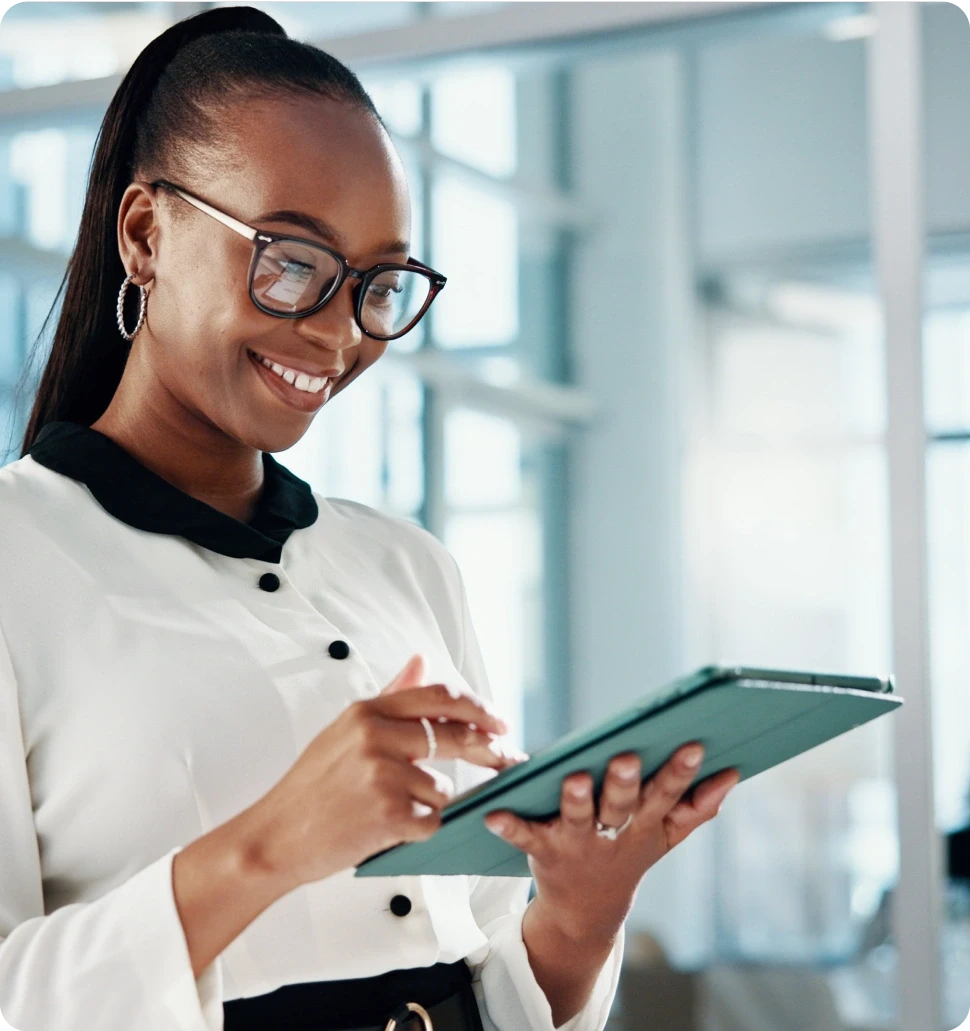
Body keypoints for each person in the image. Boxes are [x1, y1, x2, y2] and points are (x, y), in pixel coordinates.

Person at [0, 8, 740, 1031]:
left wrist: (579, 911)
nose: (342, 329)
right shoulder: (15, 560)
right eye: (291, 260)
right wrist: (269, 844)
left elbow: (485, 972)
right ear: (145, 235)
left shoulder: (407, 566)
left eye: (378, 282)